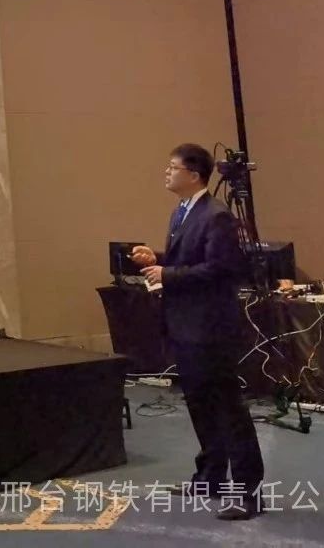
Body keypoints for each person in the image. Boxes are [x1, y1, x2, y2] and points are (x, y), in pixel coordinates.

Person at [131, 143, 264, 521]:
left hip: (211, 328)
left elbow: (222, 269)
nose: (166, 172)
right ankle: (210, 477)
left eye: (172, 167)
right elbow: (190, 260)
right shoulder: (182, 211)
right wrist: (157, 260)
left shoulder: (216, 215)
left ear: (193, 174)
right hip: (185, 325)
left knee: (227, 409)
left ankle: (248, 492)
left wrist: (167, 273)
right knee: (200, 405)